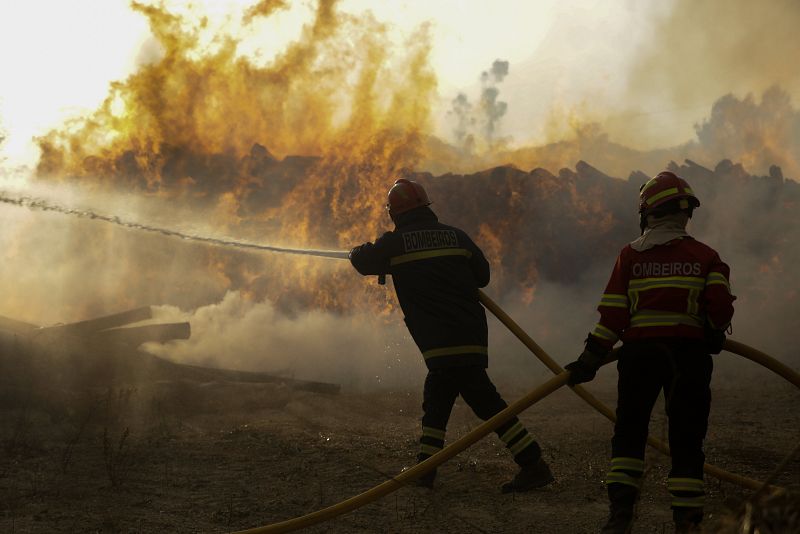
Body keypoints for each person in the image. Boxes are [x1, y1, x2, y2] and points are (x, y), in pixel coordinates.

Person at [349, 178, 554, 492]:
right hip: (470, 332)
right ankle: (427, 469)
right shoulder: (456, 236)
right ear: (427, 207)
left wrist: (357, 252)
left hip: (439, 339)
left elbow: (363, 260)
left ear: (395, 213)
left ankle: (532, 462)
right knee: (440, 397)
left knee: (483, 402)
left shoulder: (395, 243)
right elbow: (482, 276)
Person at [565, 171, 736, 533]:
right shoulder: (707, 257)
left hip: (639, 355)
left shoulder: (630, 256)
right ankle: (687, 522)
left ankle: (620, 516)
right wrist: (714, 331)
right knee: (686, 438)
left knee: (630, 432)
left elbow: (613, 314)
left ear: (648, 213)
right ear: (685, 214)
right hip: (688, 357)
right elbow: (720, 308)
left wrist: (590, 359)